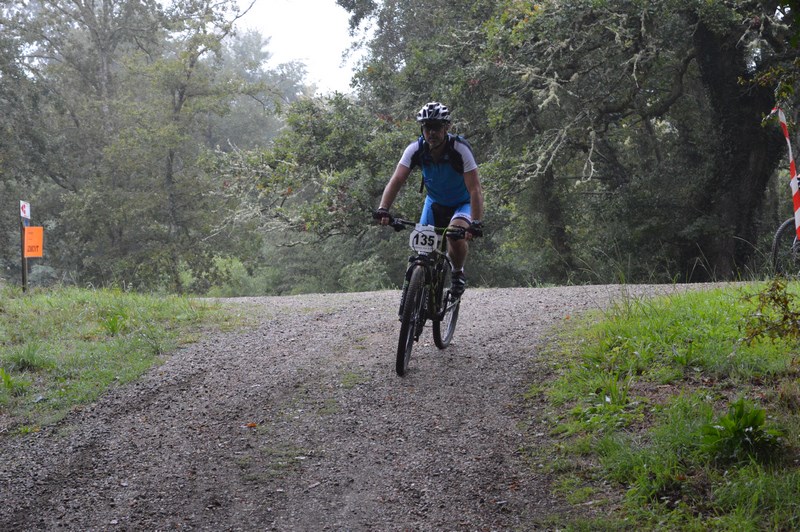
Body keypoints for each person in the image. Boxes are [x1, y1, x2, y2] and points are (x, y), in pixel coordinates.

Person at [374, 101, 484, 297]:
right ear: (422, 129)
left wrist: (475, 223)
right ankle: (420, 297)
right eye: (427, 127)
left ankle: (458, 274)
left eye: (436, 127)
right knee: (423, 254)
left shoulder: (460, 149)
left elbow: (475, 189)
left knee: (453, 235)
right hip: (434, 203)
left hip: (462, 204)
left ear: (446, 128)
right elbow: (397, 179)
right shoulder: (415, 149)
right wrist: (383, 208)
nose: (431, 133)